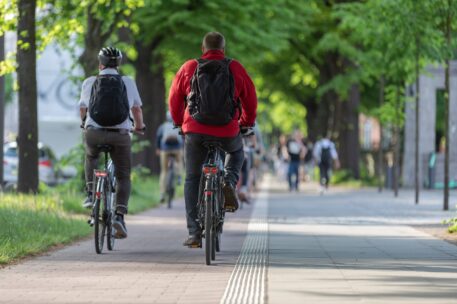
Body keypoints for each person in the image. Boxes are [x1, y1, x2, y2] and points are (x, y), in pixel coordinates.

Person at [169, 32, 257, 247]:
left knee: (192, 177)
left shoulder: (189, 67)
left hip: (195, 131)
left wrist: (180, 121)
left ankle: (194, 233)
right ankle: (228, 180)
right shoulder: (235, 67)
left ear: (202, 49)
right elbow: (250, 98)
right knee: (237, 153)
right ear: (223, 50)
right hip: (227, 130)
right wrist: (246, 122)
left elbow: (174, 97)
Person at [79, 47, 146, 239]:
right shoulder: (127, 82)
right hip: (120, 135)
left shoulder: (90, 82)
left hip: (95, 133)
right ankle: (119, 215)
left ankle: (91, 193)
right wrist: (139, 127)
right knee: (124, 175)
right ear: (119, 64)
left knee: (91, 156)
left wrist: (85, 125)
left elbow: (83, 109)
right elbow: (137, 110)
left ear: (100, 64)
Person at [156, 112, 183, 202]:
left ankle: (162, 194)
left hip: (165, 149)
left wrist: (158, 148)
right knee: (179, 162)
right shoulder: (178, 126)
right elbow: (182, 137)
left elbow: (158, 137)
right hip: (176, 149)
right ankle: (179, 176)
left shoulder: (163, 126)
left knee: (164, 171)